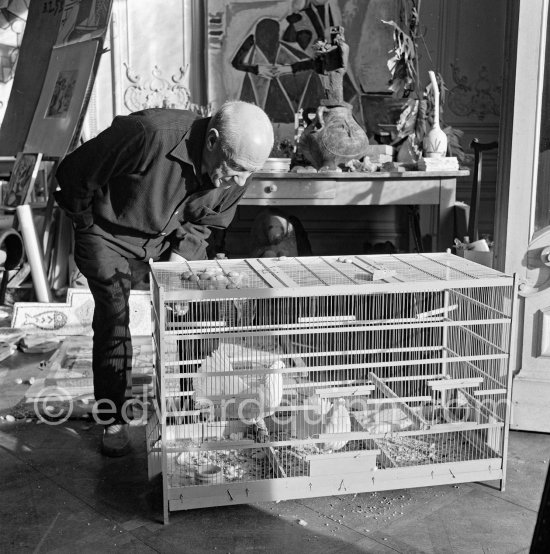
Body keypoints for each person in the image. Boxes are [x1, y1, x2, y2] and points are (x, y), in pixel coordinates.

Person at [55, 100, 274, 456]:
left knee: (193, 314)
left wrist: (177, 272)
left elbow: (205, 224)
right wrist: (84, 223)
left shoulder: (239, 167)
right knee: (114, 315)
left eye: (250, 172)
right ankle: (113, 416)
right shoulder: (148, 135)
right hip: (109, 232)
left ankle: (186, 404)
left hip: (169, 236)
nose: (241, 181)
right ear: (212, 140)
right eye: (235, 169)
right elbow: (73, 173)